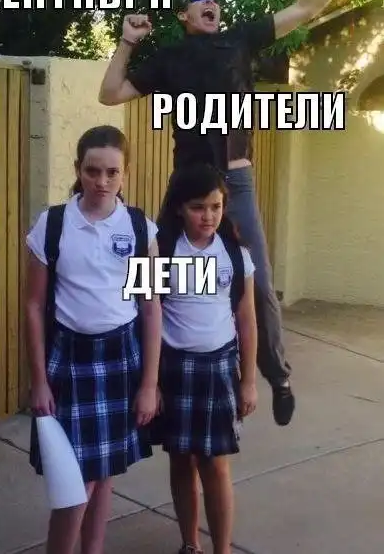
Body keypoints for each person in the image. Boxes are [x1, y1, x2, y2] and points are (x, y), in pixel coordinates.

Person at [98, 0, 363, 426]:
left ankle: (278, 378)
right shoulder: (170, 59)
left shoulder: (240, 40)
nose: (210, 3)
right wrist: (127, 42)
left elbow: (305, 9)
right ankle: (147, 379)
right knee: (152, 274)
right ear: (184, 15)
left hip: (234, 181)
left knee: (257, 282)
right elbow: (110, 94)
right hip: (188, 181)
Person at [25, 125, 162, 554]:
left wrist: (149, 384)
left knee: (104, 473)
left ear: (125, 173)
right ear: (78, 169)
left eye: (112, 172)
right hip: (69, 361)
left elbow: (151, 307)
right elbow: (33, 306)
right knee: (73, 485)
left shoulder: (141, 229)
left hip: (122, 358)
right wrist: (39, 381)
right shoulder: (52, 225)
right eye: (92, 171)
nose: (102, 181)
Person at [153, 163, 257, 554]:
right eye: (198, 207)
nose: (208, 216)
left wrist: (248, 380)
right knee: (181, 460)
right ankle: (189, 543)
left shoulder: (236, 254)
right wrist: (151, 383)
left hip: (219, 368)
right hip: (174, 367)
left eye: (216, 206)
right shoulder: (158, 251)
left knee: (214, 463)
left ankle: (221, 549)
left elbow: (247, 319)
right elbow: (145, 315)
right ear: (179, 207)